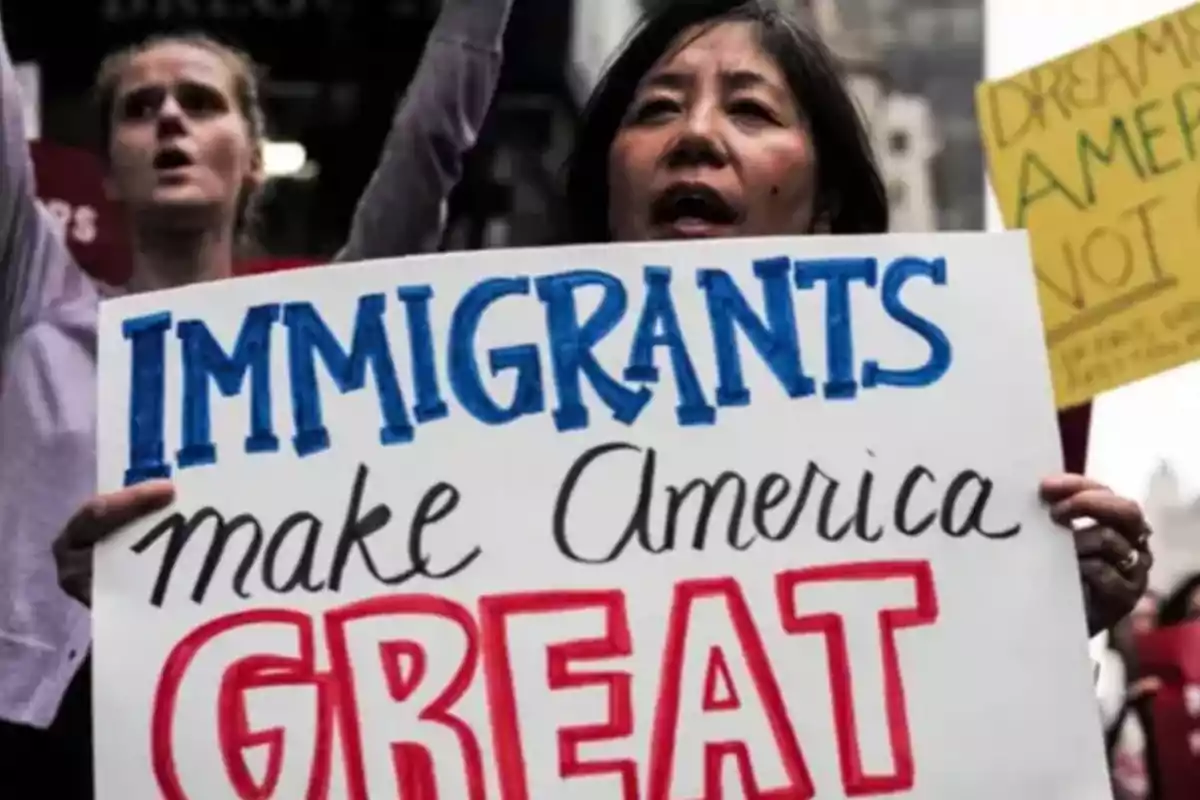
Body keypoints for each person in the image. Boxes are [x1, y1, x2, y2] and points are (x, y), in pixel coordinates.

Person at [0, 0, 513, 793]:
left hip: (240, 740)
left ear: (252, 158)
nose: (169, 118)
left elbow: (428, 150)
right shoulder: (38, 304)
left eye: (200, 103)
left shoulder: (314, 345)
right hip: (26, 737)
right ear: (107, 169)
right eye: (140, 109)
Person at [560, 0, 1151, 633]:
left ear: (827, 205)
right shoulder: (472, 441)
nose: (696, 135)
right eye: (657, 109)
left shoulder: (938, 475)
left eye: (750, 110)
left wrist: (1040, 626)